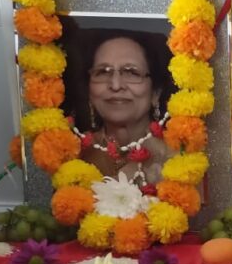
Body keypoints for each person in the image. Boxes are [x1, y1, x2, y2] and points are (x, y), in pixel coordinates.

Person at [66, 29, 173, 189]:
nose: (115, 85)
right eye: (102, 72)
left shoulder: (177, 158)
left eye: (132, 72)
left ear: (155, 93)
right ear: (89, 91)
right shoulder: (72, 154)